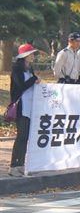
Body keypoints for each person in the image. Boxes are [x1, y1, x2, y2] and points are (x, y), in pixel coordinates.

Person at [9, 44, 41, 177]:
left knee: (26, 137)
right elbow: (21, 86)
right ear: (24, 56)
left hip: (29, 106)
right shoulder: (16, 69)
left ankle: (21, 165)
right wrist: (34, 79)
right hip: (21, 107)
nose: (33, 56)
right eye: (30, 54)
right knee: (21, 136)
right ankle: (13, 166)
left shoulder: (30, 69)